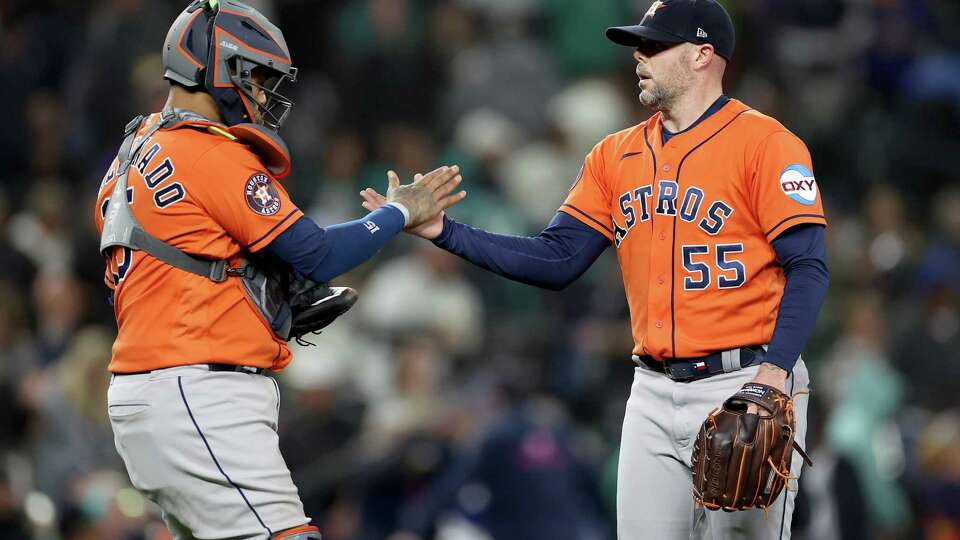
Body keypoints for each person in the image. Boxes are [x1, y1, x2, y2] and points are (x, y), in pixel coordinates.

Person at [361, 0, 829, 538]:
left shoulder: (766, 144)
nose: (639, 57)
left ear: (703, 56)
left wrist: (773, 377)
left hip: (746, 384)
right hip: (652, 390)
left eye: (654, 46)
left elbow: (809, 267)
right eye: (638, 46)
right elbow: (557, 259)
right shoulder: (614, 155)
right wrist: (444, 232)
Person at [94, 1, 464, 538]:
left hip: (155, 392)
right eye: (256, 76)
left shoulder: (127, 156)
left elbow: (174, 270)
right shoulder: (205, 151)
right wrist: (401, 211)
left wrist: (259, 299)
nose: (263, 94)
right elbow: (319, 254)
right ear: (216, 65)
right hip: (199, 391)